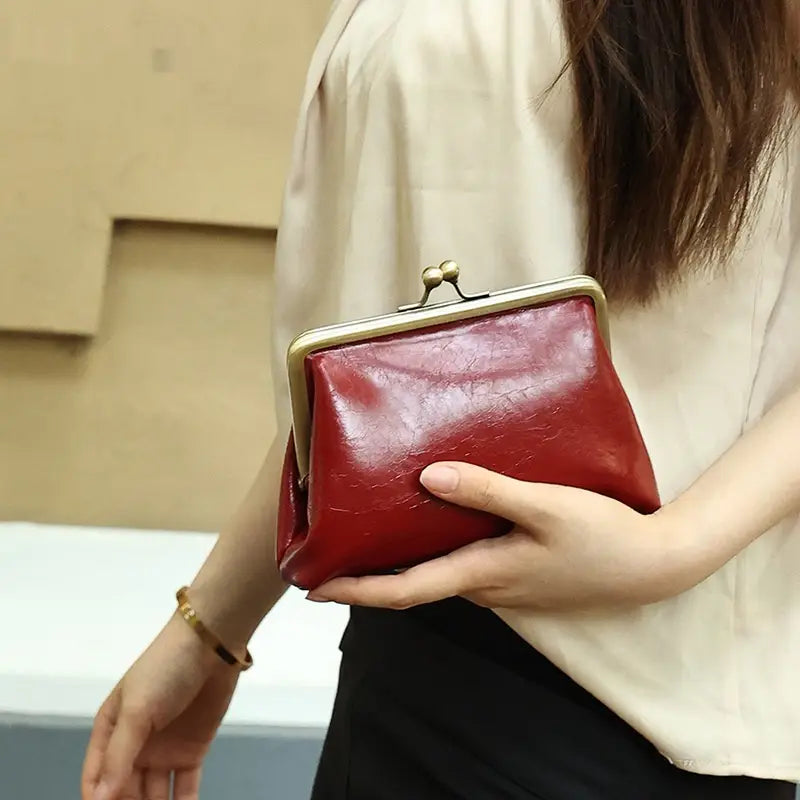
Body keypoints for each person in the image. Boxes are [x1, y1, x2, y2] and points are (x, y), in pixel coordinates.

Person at [81, 1, 800, 799]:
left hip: (647, 698)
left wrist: (667, 552)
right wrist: (212, 624)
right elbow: (392, 366)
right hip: (405, 665)